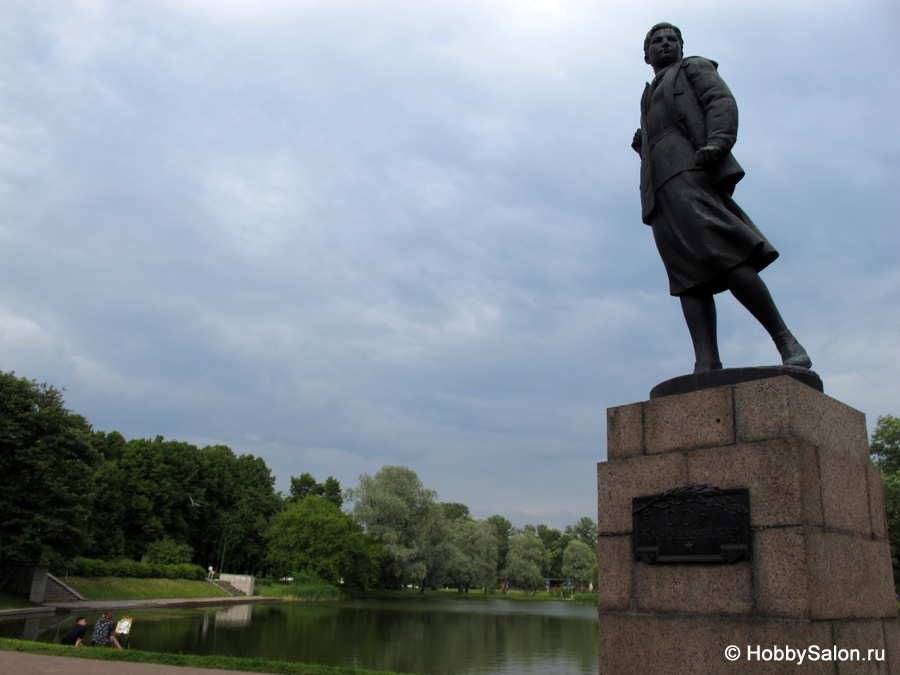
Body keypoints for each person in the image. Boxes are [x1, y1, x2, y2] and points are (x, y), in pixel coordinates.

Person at [632, 22, 811, 373]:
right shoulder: (648, 93)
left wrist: (718, 140)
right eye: (657, 41)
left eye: (672, 40)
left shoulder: (694, 67)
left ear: (682, 48)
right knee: (686, 276)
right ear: (646, 54)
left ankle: (785, 340)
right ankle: (706, 363)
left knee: (723, 251)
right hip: (659, 191)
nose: (665, 44)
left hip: (690, 171)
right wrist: (644, 150)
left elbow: (719, 101)